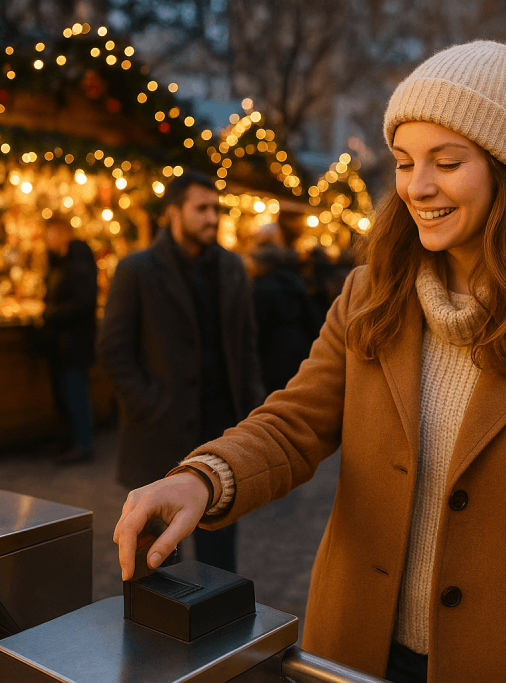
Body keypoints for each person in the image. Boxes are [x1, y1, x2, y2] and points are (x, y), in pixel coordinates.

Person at [114, 41, 506, 683]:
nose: (418, 188)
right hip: (356, 653)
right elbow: (293, 425)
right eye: (404, 163)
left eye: (447, 162)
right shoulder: (370, 292)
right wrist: (202, 479)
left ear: (505, 167)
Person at [98, 170, 265, 573]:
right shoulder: (137, 269)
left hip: (221, 437)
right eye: (202, 208)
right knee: (154, 565)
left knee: (219, 562)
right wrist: (150, 405)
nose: (213, 218)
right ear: (173, 212)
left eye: (216, 209)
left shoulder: (231, 267)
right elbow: (113, 350)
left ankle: (219, 631)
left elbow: (246, 348)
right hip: (158, 437)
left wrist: (253, 414)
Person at [42, 217, 98, 464]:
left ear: (62, 233)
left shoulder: (79, 260)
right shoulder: (59, 261)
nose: (47, 239)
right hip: (61, 340)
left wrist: (53, 313)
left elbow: (84, 302)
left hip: (75, 340)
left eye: (50, 233)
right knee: (64, 393)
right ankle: (70, 439)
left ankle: (82, 444)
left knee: (75, 392)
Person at [251, 243, 322, 394]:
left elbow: (259, 324)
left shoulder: (263, 287)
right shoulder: (296, 281)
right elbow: (311, 316)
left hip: (274, 351)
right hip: (300, 344)